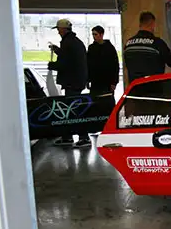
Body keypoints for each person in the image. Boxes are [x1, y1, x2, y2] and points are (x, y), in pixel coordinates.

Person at [48, 19, 91, 148]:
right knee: (71, 110)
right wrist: (57, 50)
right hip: (77, 81)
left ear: (63, 29)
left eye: (58, 29)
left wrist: (52, 65)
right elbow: (70, 57)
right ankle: (68, 136)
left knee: (73, 111)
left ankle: (83, 137)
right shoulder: (75, 42)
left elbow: (66, 64)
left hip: (72, 82)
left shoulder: (67, 43)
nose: (58, 32)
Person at [123, 11, 171, 82]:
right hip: (153, 86)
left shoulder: (128, 44)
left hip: (134, 87)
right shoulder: (157, 43)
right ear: (153, 24)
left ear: (140, 24)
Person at [87, 25, 119, 108]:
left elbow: (115, 66)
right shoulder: (91, 48)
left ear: (101, 35)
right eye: (93, 34)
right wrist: (88, 79)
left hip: (107, 81)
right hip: (95, 81)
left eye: (95, 34)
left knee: (107, 102)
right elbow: (88, 64)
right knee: (95, 102)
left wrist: (114, 82)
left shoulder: (110, 48)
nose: (94, 36)